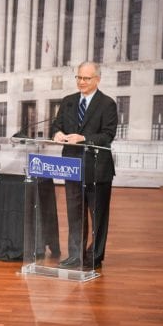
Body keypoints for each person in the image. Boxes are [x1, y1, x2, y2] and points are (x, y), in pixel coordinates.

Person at [51, 61, 117, 269]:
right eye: (79, 77)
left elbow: (107, 135)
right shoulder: (68, 101)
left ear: (97, 79)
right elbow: (56, 125)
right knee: (75, 215)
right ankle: (75, 255)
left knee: (97, 216)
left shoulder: (107, 104)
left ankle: (94, 257)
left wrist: (83, 138)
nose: (81, 82)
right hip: (71, 167)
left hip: (97, 169)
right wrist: (57, 133)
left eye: (86, 78)